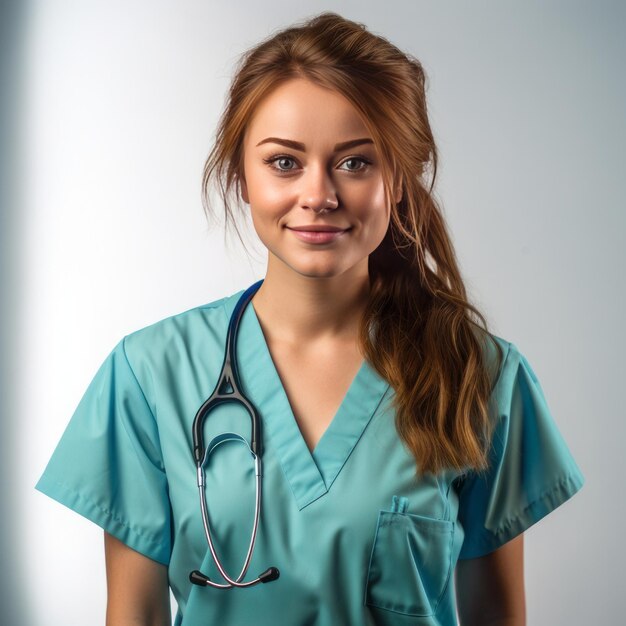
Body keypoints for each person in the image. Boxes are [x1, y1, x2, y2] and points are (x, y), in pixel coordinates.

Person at [36, 11, 585, 626]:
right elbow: (132, 615)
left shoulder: (480, 375)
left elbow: (499, 617)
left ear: (399, 180)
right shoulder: (148, 375)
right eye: (284, 162)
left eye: (355, 162)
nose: (319, 193)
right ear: (242, 175)